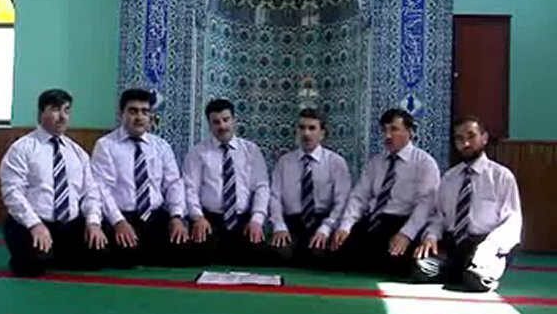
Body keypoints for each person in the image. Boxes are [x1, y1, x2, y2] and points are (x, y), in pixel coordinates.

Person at [0, 89, 107, 277]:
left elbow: (90, 192)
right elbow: (12, 193)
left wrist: (93, 222)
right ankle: (40, 254)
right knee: (33, 265)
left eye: (66, 110)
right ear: (41, 113)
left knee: (99, 254)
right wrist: (35, 225)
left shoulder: (77, 152)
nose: (62, 117)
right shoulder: (22, 149)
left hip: (69, 224)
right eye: (56, 109)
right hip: (31, 222)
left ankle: (55, 254)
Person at [413, 116, 522, 291]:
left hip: (487, 244)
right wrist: (431, 236)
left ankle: (476, 270)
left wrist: (490, 246)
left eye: (471, 136)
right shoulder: (449, 178)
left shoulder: (501, 177)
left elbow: (512, 222)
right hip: (454, 244)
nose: (465, 143)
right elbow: (439, 216)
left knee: (476, 280)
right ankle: (463, 270)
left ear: (484, 138)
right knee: (420, 269)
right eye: (459, 138)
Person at [331, 108, 440, 275]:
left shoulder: (425, 163)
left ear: (410, 132)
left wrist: (406, 234)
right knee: (337, 252)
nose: (388, 136)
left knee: (394, 262)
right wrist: (346, 226)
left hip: (402, 222)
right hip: (374, 220)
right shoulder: (376, 162)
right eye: (385, 130)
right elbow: (359, 197)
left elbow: (426, 205)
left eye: (394, 129)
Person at [90, 88, 190, 267]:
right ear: (122, 114)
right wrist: (118, 222)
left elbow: (173, 184)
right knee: (127, 256)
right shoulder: (106, 146)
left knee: (183, 251)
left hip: (155, 215)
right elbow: (101, 188)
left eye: (145, 112)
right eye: (133, 111)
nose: (139, 117)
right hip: (123, 216)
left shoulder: (161, 146)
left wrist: (176, 217)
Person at [183, 98, 269, 264]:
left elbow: (261, 187)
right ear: (209, 125)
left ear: (234, 120)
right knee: (200, 253)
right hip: (210, 220)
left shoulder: (251, 151)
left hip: (243, 219)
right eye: (216, 122)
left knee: (258, 254)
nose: (222, 126)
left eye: (226, 120)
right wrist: (198, 217)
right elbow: (189, 188)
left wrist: (257, 220)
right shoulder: (197, 153)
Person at [269, 108, 351, 268]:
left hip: (322, 221)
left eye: (312, 128)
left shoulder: (336, 163)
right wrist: (279, 225)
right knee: (280, 253)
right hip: (293, 223)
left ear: (322, 133)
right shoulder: (284, 162)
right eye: (302, 128)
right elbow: (274, 197)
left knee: (320, 255)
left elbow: (342, 201)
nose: (306, 133)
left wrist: (326, 229)